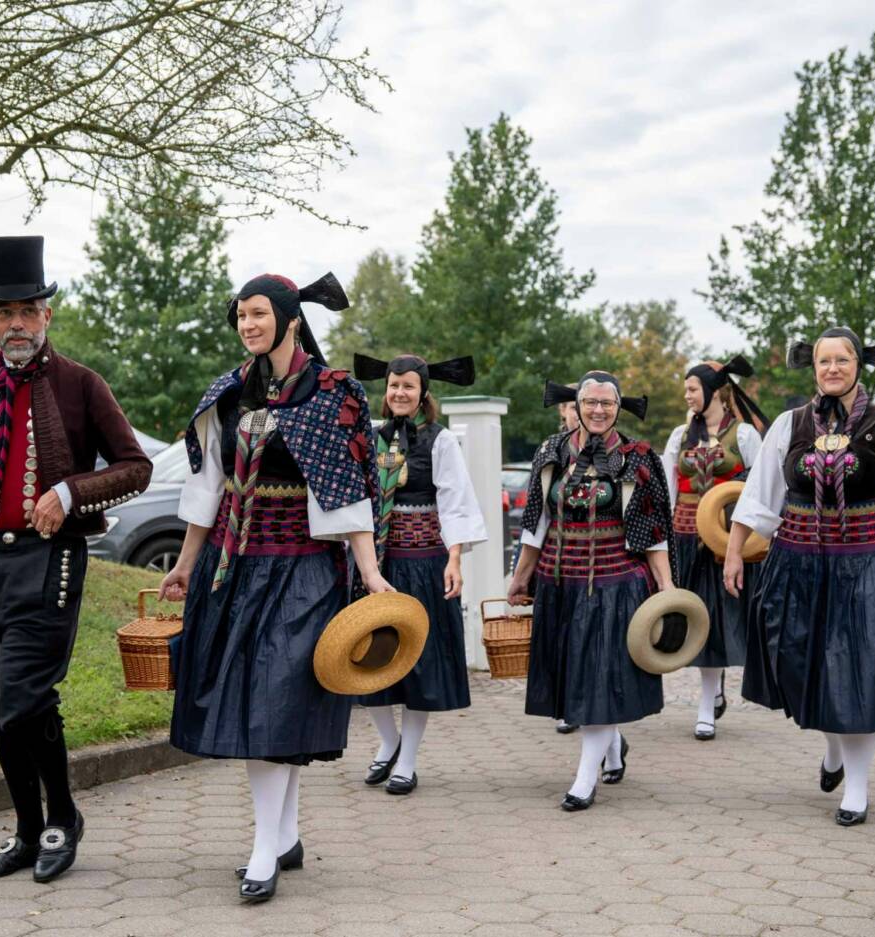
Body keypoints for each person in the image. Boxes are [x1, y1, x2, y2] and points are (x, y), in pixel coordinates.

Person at [0, 236, 152, 882]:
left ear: (48, 315)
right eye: (5, 312)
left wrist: (70, 492)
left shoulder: (80, 385)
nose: (17, 324)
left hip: (51, 565)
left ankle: (59, 819)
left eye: (29, 310)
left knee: (22, 696)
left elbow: (136, 468)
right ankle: (24, 830)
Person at [159, 272, 389, 904]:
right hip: (235, 565)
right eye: (240, 317)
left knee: (277, 699)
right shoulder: (229, 394)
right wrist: (183, 565)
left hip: (305, 569)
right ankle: (283, 835)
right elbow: (207, 490)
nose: (247, 325)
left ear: (290, 318)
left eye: (258, 314)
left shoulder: (331, 394)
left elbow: (349, 490)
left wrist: (369, 574)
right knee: (263, 704)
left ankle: (264, 848)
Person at [725, 327, 875, 827]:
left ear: (858, 365)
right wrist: (732, 554)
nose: (833, 368)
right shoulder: (789, 425)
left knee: (864, 674)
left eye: (842, 360)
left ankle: (856, 787)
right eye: (824, 361)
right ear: (813, 367)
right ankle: (833, 749)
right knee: (796, 662)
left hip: (872, 567)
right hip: (798, 564)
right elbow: (759, 497)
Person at [507, 371, 673, 811]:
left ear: (619, 408)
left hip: (616, 586)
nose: (598, 410)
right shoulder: (551, 451)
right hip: (560, 584)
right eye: (590, 402)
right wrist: (521, 576)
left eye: (607, 403)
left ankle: (585, 778)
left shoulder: (638, 457)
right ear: (576, 406)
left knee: (599, 677)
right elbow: (536, 524)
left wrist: (667, 588)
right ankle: (612, 745)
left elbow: (653, 530)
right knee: (579, 679)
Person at [353, 353, 488, 795]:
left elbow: (456, 503)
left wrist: (455, 559)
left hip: (424, 562)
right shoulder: (370, 437)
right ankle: (388, 741)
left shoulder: (440, 441)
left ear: (423, 392)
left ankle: (407, 760)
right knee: (368, 655)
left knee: (419, 662)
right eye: (394, 385)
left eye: (408, 386)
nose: (399, 393)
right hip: (377, 565)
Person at [662, 356, 766, 741]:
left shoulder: (744, 436)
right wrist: (664, 537)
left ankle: (706, 705)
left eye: (692, 388)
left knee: (719, 619)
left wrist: (751, 539)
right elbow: (668, 488)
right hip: (687, 536)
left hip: (725, 542)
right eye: (686, 389)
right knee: (694, 619)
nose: (687, 395)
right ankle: (714, 689)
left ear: (713, 391)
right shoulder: (679, 436)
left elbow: (760, 489)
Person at [555, 395, 581, 736]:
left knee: (590, 644)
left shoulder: (624, 454)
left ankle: (582, 712)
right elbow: (537, 515)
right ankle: (613, 743)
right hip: (557, 565)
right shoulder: (553, 450)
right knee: (563, 642)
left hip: (602, 567)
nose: (582, 412)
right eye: (576, 405)